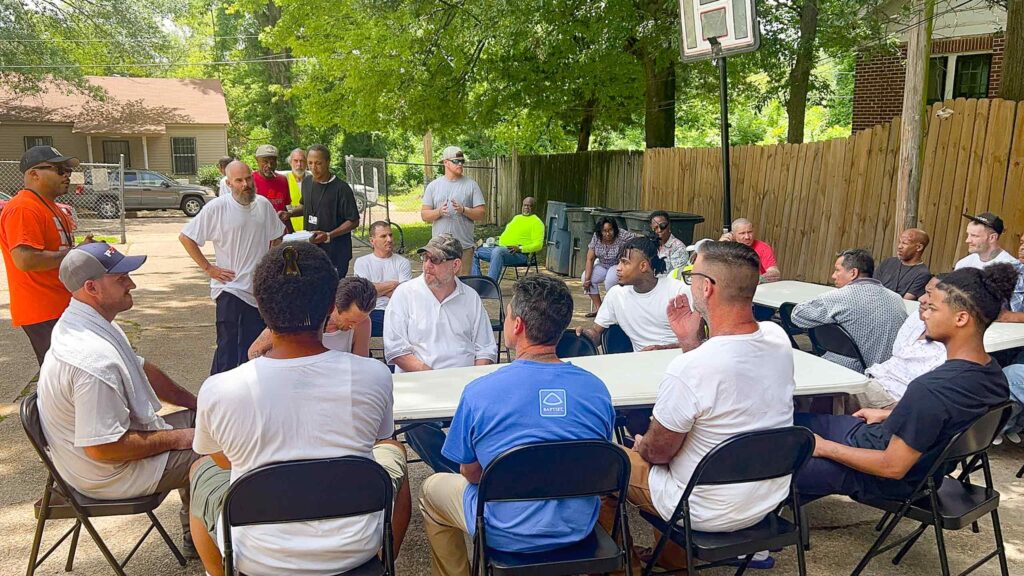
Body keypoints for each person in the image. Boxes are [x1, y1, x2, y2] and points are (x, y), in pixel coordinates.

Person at [188, 243, 411, 576]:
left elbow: (224, 461)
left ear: (261, 308)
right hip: (356, 547)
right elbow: (376, 442)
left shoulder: (220, 389)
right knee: (393, 451)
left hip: (257, 554)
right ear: (328, 306)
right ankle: (384, 564)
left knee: (200, 470)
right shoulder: (375, 376)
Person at [598, 241, 795, 571]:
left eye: (692, 274)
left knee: (600, 464)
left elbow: (658, 454)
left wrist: (644, 444)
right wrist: (691, 343)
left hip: (702, 507)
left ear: (707, 287)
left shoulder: (690, 369)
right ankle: (671, 558)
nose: (688, 281)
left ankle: (624, 566)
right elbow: (724, 385)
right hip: (764, 501)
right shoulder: (778, 339)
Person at [419, 275, 615, 576]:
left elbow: (470, 473)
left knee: (432, 489)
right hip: (576, 525)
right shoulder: (596, 390)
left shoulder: (479, 393)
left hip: (503, 530)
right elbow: (597, 460)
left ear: (518, 325)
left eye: (509, 313)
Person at [795, 264, 1014, 505]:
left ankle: (766, 523)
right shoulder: (993, 375)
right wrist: (893, 414)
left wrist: (825, 448)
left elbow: (892, 467)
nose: (924, 315)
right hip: (921, 472)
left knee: (771, 449)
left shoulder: (931, 387)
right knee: (793, 425)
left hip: (878, 476)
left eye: (932, 308)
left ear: (961, 318)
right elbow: (943, 421)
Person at [37, 242, 200, 556]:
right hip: (105, 474)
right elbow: (103, 447)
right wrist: (179, 437)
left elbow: (142, 369)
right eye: (121, 278)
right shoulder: (91, 359)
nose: (132, 284)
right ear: (92, 288)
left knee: (207, 423)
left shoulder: (90, 324)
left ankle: (196, 535)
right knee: (222, 450)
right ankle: (218, 548)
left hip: (99, 458)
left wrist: (196, 403)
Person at [384, 234, 497, 473]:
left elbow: (486, 348)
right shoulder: (405, 294)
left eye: (435, 260)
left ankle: (471, 476)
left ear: (455, 265)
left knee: (493, 416)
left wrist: (474, 383)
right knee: (416, 428)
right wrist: (433, 378)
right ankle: (463, 475)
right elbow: (395, 350)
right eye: (425, 258)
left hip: (464, 387)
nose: (427, 265)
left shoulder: (471, 298)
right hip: (419, 386)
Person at [179, 160, 285, 375]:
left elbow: (277, 237)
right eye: (239, 180)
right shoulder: (217, 208)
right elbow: (186, 237)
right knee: (227, 347)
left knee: (253, 348)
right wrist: (209, 269)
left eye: (248, 179)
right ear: (228, 183)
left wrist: (269, 267)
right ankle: (216, 394)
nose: (245, 184)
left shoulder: (263, 205)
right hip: (230, 288)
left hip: (258, 291)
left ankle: (247, 394)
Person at [0, 146, 94, 365]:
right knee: (64, 375)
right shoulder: (23, 208)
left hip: (60, 304)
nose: (67, 175)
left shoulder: (51, 206)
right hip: (41, 309)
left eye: (68, 171)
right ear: (34, 174)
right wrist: (76, 253)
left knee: (70, 375)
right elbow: (25, 259)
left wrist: (82, 250)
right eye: (60, 170)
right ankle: (37, 402)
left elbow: (58, 251)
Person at [791, 249, 908, 372]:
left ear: (853, 273)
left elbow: (797, 315)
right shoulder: (897, 299)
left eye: (837, 270)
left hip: (847, 371)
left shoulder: (841, 297)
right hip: (888, 372)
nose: (833, 275)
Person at [577, 235, 689, 353]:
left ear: (643, 266)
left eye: (625, 263)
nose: (618, 268)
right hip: (639, 365)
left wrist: (663, 349)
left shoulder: (678, 291)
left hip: (680, 362)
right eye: (619, 262)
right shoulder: (616, 295)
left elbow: (700, 340)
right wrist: (585, 336)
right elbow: (597, 333)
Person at [856, 277, 946, 410]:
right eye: (924, 292)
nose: (921, 298)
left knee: (832, 392)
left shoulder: (947, 351)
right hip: (875, 379)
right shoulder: (917, 317)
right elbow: (896, 354)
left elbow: (923, 404)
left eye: (930, 294)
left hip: (895, 397)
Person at [279, 144, 361, 277]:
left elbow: (353, 221)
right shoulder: (307, 182)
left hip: (336, 253)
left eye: (318, 163)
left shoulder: (341, 189)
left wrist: (329, 235)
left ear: (328, 162)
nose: (313, 168)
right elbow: (305, 206)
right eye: (310, 163)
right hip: (312, 251)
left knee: (333, 292)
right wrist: (290, 214)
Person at [249, 276, 376, 359]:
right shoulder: (302, 315)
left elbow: (361, 364)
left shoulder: (363, 324)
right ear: (334, 307)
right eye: (351, 321)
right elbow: (254, 351)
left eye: (359, 321)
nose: (353, 326)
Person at [420, 146, 486, 275]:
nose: (460, 164)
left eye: (462, 161)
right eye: (456, 161)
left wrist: (463, 210)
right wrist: (438, 212)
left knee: (463, 284)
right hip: (439, 247)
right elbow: (424, 215)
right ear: (445, 162)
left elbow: (481, 213)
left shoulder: (471, 185)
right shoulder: (433, 186)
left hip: (464, 247)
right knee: (439, 282)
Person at [354, 221, 413, 336]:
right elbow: (365, 294)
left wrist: (376, 289)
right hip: (370, 311)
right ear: (372, 241)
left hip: (396, 311)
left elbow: (404, 296)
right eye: (383, 236)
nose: (389, 239)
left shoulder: (403, 263)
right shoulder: (362, 263)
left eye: (390, 235)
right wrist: (393, 285)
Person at [472, 196, 544, 282]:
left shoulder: (537, 223)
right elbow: (506, 236)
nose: (526, 208)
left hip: (519, 254)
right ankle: (478, 283)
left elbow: (538, 245)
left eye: (529, 206)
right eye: (524, 205)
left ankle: (490, 286)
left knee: (498, 251)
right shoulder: (517, 218)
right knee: (473, 251)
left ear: (534, 208)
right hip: (500, 249)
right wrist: (494, 239)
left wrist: (520, 249)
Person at [581, 216, 636, 317]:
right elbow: (590, 259)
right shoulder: (596, 237)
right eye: (604, 231)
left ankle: (612, 309)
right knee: (585, 277)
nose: (607, 233)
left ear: (614, 229)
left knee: (610, 281)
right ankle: (599, 308)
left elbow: (636, 238)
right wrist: (587, 280)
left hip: (617, 264)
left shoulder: (621, 234)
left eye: (610, 230)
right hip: (602, 264)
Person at [875, 228, 932, 300]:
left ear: (919, 247)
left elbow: (906, 301)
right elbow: (872, 286)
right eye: (899, 242)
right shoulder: (888, 262)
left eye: (904, 243)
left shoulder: (923, 274)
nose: (899, 246)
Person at [720, 218, 781, 282]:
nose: (747, 237)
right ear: (733, 235)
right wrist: (718, 246)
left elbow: (775, 273)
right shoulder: (727, 247)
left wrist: (755, 281)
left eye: (749, 232)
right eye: (742, 233)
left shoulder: (763, 247)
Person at [251, 145, 290, 214]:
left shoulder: (283, 180)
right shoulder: (250, 180)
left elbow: (285, 206)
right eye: (265, 162)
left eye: (272, 162)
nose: (269, 166)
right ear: (257, 160)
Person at [284, 147, 308, 232]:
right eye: (296, 161)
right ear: (290, 162)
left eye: (302, 161)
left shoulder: (313, 179)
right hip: (290, 229)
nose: (299, 164)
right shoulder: (284, 180)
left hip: (311, 229)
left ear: (306, 163)